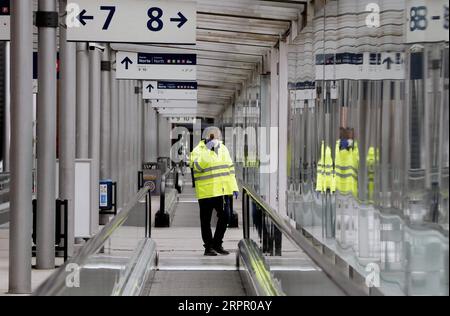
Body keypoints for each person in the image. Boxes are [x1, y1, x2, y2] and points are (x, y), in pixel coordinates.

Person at [190, 128, 239, 256]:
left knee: (226, 216)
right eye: (212, 136)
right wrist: (207, 150)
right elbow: (198, 166)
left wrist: (234, 187)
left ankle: (217, 243)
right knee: (205, 221)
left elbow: (230, 169)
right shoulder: (197, 151)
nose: (214, 138)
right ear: (206, 137)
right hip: (206, 192)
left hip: (222, 191)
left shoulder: (223, 149)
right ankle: (208, 247)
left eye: (216, 136)